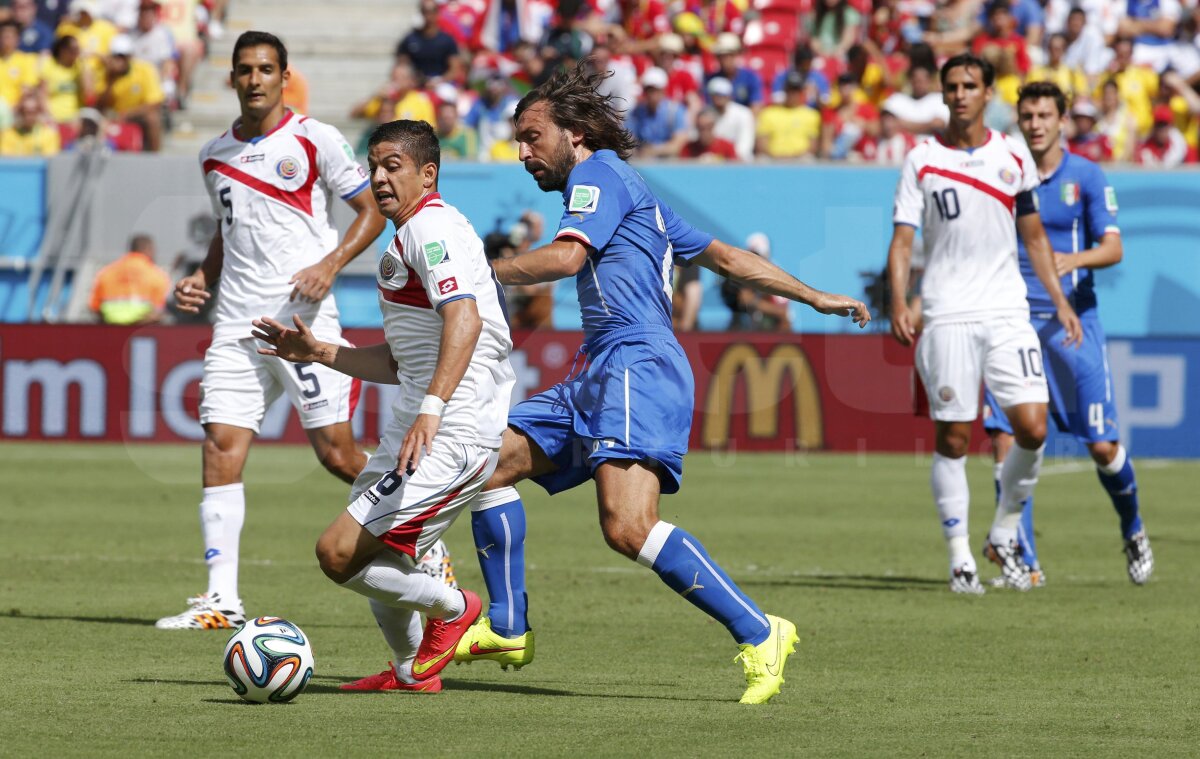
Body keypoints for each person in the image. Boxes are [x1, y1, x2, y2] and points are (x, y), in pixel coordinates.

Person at [453, 61, 871, 705]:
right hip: (598, 368)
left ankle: (761, 631)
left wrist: (480, 274)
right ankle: (507, 627)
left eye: (533, 136)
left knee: (627, 525)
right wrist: (811, 295)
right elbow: (727, 257)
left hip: (635, 363)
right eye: (518, 139)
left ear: (576, 132)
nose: (522, 152)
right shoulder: (632, 192)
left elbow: (566, 259)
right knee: (483, 466)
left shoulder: (596, 175)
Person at [252, 119, 515, 693]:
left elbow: (464, 318)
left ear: (428, 173)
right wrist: (319, 350)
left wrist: (433, 408)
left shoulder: (432, 228)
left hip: (451, 428)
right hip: (417, 425)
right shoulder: (411, 234)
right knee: (381, 560)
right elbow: (399, 363)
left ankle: (456, 608)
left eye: (392, 166)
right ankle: (409, 672)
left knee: (337, 552)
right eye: (373, 166)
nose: (378, 177)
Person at [159, 31, 388, 631]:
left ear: (285, 76)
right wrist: (201, 278)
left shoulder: (315, 139)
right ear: (231, 79)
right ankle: (220, 600)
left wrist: (328, 266)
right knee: (219, 447)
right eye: (244, 70)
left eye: (266, 69)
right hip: (235, 322)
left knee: (338, 455)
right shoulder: (214, 155)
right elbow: (227, 228)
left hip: (300, 322)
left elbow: (371, 210)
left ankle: (425, 538)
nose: (255, 79)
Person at [886, 53, 1083, 595]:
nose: (960, 94)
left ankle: (1002, 530)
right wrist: (901, 300)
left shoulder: (1013, 155)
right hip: (947, 312)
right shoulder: (921, 158)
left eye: (970, 85)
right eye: (952, 86)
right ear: (943, 94)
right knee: (953, 435)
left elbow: (1036, 238)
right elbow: (903, 240)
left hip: (1006, 310)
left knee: (1034, 427)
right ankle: (959, 558)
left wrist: (1060, 302)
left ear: (989, 92)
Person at [980, 81, 1153, 587]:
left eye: (1044, 115)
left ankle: (1134, 528)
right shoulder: (1003, 170)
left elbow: (1114, 248)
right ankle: (1023, 560)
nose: (1034, 124)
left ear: (1061, 121)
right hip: (1012, 321)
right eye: (1027, 115)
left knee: (1102, 447)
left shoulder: (1087, 175)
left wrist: (1071, 260)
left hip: (1073, 323)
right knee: (1006, 439)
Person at [97, 33, 164, 151]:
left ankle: (155, 157)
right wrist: (111, 78)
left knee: (152, 118)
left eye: (122, 56)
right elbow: (101, 104)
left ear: (130, 57)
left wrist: (126, 115)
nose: (119, 60)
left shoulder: (145, 70)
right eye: (116, 56)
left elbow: (154, 103)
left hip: (136, 115)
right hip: (112, 115)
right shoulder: (105, 74)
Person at [88, 233, 171, 324]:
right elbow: (158, 309)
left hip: (110, 326)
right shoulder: (156, 274)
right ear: (148, 249)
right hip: (140, 328)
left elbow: (94, 306)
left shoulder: (107, 272)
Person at [396, 0, 459, 80]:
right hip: (416, 83)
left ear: (437, 13)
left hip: (441, 83)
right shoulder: (410, 39)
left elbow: (454, 69)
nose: (429, 16)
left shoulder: (447, 40)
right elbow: (402, 64)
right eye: (425, 12)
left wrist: (440, 81)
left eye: (432, 12)